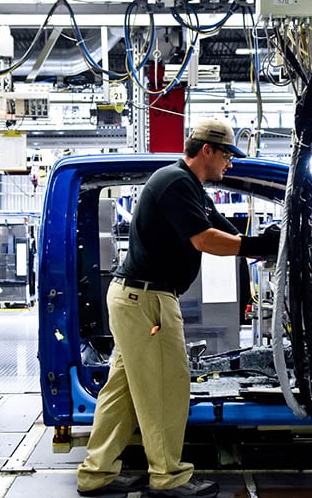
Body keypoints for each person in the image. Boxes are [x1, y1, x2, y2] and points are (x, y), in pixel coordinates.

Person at [77, 119, 280, 497]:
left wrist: (263, 241)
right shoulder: (175, 183)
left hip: (135, 297)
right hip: (147, 300)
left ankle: (97, 473)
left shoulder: (190, 187)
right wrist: (257, 248)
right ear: (208, 150)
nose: (230, 164)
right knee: (166, 387)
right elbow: (205, 240)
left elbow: (223, 231)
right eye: (228, 155)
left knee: (120, 392)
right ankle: (168, 477)